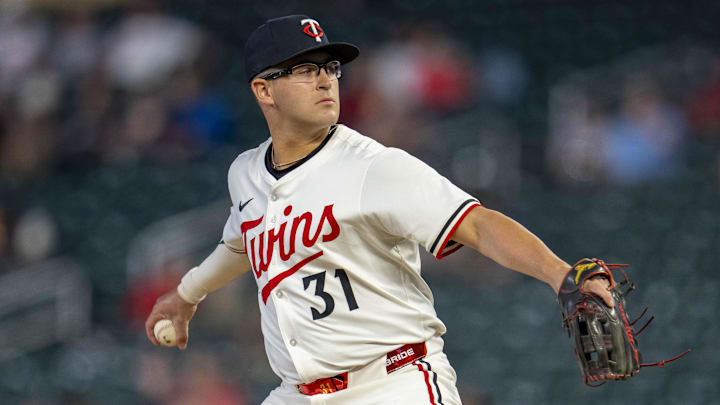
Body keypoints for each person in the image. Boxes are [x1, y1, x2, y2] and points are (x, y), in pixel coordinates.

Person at [145, 15, 613, 404]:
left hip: (392, 382)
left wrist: (560, 274)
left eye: (329, 67)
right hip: (296, 394)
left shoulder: (374, 166)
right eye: (305, 70)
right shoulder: (244, 173)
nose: (326, 78)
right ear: (264, 91)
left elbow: (477, 223)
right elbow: (241, 242)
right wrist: (187, 294)